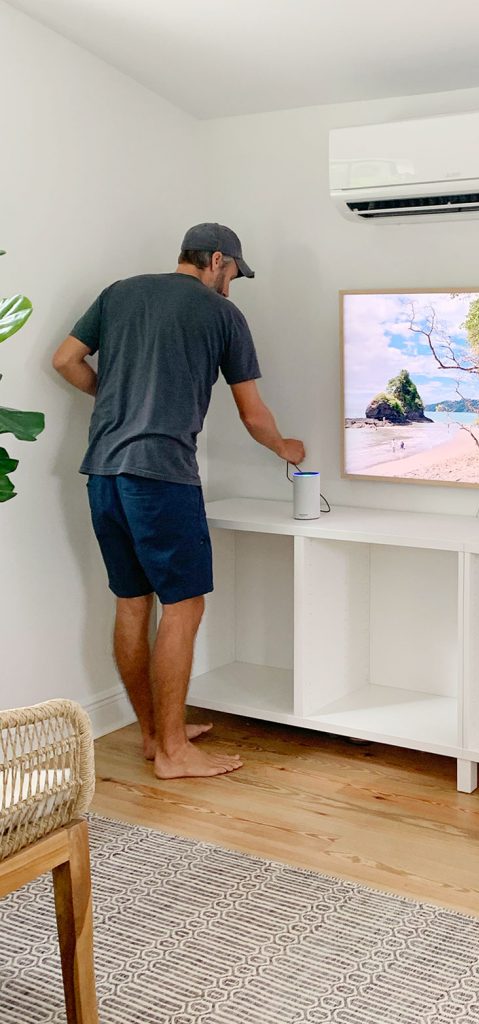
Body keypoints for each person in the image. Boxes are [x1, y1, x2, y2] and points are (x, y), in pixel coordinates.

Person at [52, 223, 305, 780]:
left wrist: (114, 394)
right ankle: (173, 752)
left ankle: (153, 735)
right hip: (162, 478)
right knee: (184, 607)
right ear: (217, 258)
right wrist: (288, 447)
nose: (231, 287)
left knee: (131, 603)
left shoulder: (119, 292)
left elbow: (65, 361)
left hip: (103, 473)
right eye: (233, 274)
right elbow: (253, 415)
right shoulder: (222, 316)